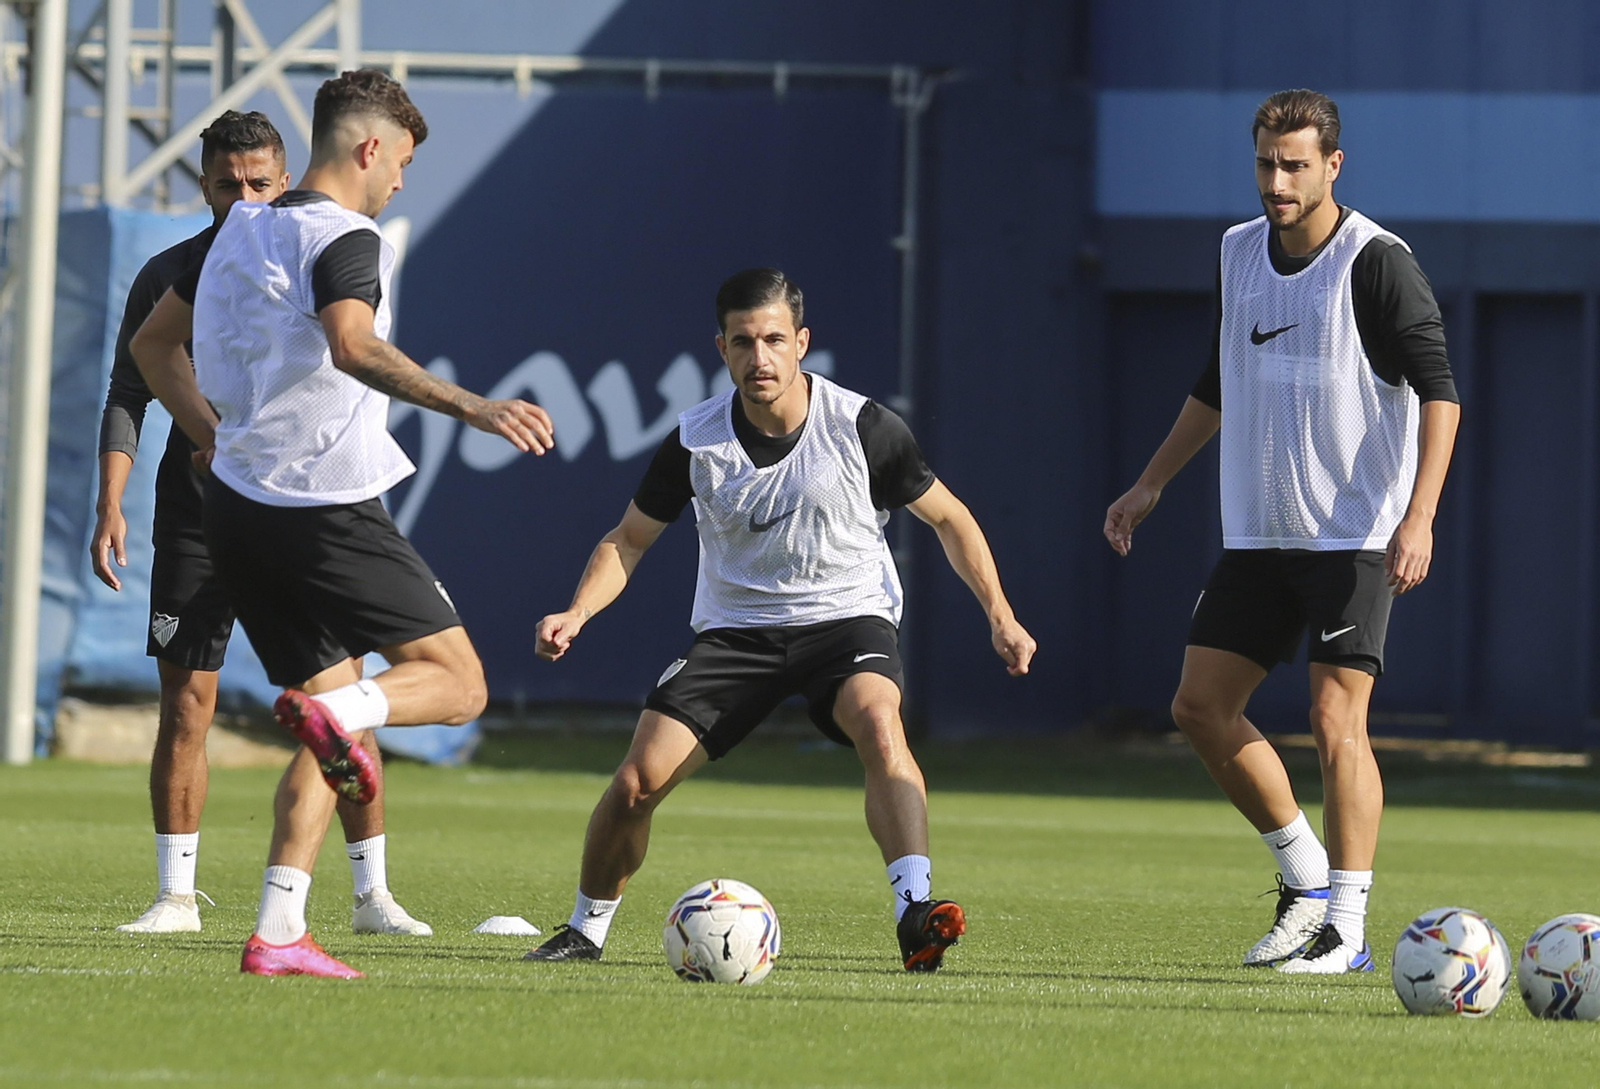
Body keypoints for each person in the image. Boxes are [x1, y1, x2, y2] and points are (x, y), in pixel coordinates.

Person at [131, 70, 554, 978]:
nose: (401, 181)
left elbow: (150, 347)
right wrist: (475, 407)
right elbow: (352, 344)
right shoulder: (349, 235)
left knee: (340, 724)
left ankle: (280, 929)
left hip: (236, 509)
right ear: (368, 149)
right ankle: (332, 722)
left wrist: (215, 435)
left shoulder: (238, 231)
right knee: (455, 683)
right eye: (400, 161)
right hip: (318, 508)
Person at [522, 268, 1036, 972]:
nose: (758, 358)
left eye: (772, 340)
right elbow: (627, 539)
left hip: (847, 620)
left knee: (880, 723)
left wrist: (1000, 615)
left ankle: (914, 911)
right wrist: (578, 609)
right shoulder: (695, 442)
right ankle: (585, 929)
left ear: (802, 343)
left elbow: (950, 518)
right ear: (721, 348)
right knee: (638, 779)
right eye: (742, 342)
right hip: (737, 633)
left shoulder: (863, 427)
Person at [1104, 89, 1461, 974]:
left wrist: (1419, 516)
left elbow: (1441, 393)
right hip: (1259, 534)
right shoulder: (1236, 251)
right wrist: (1150, 482)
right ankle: (1305, 882)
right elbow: (1218, 379)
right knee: (1199, 706)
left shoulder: (1376, 261)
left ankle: (1347, 926)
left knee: (1337, 718)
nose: (1278, 180)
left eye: (1296, 164)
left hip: (1356, 533)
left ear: (1333, 166)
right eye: (1266, 161)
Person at [93, 110, 429, 939]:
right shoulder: (174, 271)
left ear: (285, 180)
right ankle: (175, 896)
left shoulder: (317, 253)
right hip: (199, 515)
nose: (242, 197)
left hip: (302, 508)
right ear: (202, 186)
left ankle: (370, 894)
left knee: (343, 698)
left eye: (258, 183)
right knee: (188, 702)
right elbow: (134, 380)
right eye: (225, 184)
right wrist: (111, 500)